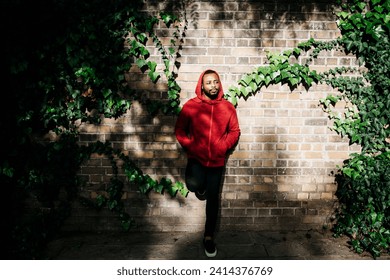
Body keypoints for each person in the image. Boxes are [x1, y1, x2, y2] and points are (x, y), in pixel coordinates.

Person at [175, 69, 240, 257]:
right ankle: (199, 188)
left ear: (219, 84)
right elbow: (180, 129)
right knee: (193, 184)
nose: (213, 86)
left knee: (213, 200)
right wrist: (191, 146)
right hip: (196, 157)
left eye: (216, 82)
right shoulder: (191, 106)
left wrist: (223, 146)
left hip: (217, 162)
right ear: (201, 86)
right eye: (209, 82)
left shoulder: (228, 107)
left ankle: (209, 237)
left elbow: (234, 131)